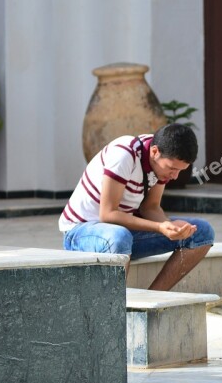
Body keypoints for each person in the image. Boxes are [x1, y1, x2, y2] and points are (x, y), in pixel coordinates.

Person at [59, 123, 214, 290]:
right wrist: (159, 226)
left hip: (119, 232)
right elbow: (108, 214)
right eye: (172, 169)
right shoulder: (124, 154)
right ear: (155, 152)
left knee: (202, 232)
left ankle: (152, 299)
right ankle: (115, 311)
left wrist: (169, 226)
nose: (175, 176)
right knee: (120, 237)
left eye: (180, 171)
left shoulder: (160, 160)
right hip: (80, 233)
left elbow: (151, 207)